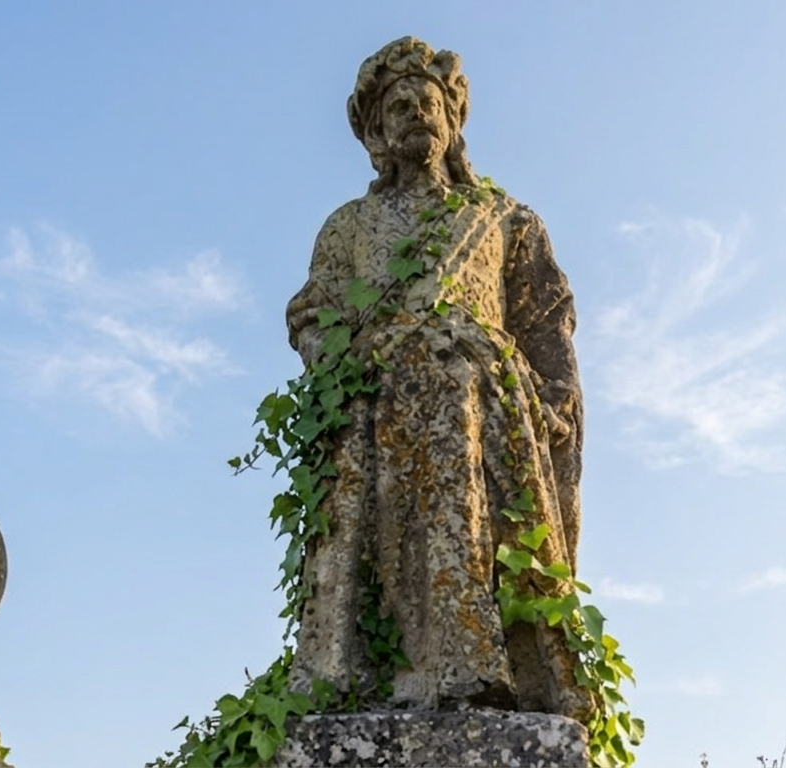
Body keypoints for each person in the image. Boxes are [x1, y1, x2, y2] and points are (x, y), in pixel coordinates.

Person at [285, 36, 593, 721]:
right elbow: (313, 312)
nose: (416, 114)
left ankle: (472, 661)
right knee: (416, 390)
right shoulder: (349, 226)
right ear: (376, 133)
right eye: (399, 107)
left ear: (453, 121)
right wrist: (336, 357)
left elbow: (545, 325)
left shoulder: (504, 220)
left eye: (429, 103)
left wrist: (552, 404)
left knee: (452, 387)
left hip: (480, 398)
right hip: (373, 397)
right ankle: (362, 668)